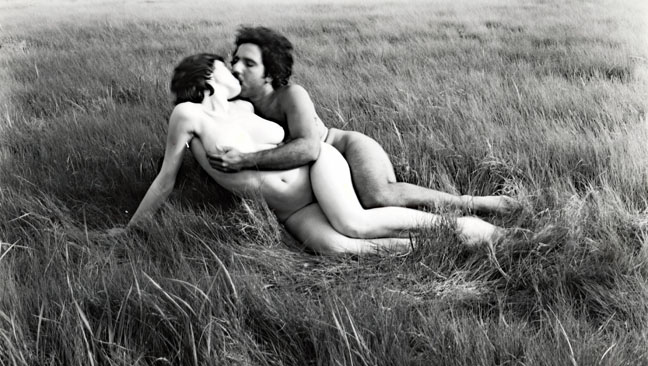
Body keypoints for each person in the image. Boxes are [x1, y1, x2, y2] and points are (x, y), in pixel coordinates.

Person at [115, 53, 502, 254]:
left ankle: (471, 229)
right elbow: (166, 179)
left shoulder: (246, 107)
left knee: (356, 223)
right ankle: (437, 243)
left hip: (317, 166)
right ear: (208, 77)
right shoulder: (189, 115)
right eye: (227, 69)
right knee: (339, 248)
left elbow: (300, 129)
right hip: (291, 209)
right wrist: (132, 230)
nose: (236, 73)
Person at [206, 26, 518, 214]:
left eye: (249, 63)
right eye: (235, 59)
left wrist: (245, 160)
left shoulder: (291, 95)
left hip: (346, 148)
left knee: (377, 197)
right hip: (318, 176)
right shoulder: (234, 102)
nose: (236, 68)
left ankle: (473, 204)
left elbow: (309, 149)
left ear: (270, 72)